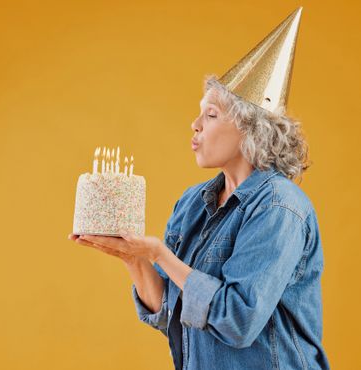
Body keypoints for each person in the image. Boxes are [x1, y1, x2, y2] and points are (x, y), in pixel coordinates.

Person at [68, 7, 331, 370]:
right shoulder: (192, 203)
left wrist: (161, 255)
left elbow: (238, 320)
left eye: (211, 115)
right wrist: (135, 259)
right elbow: (171, 313)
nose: (194, 125)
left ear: (250, 129)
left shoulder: (280, 207)